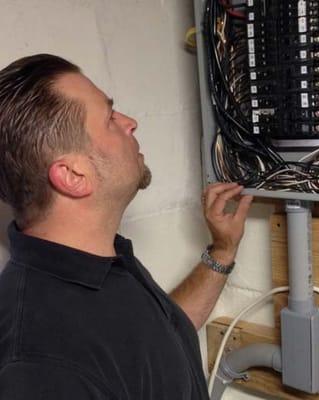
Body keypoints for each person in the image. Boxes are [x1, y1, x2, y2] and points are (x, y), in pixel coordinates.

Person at [0, 54, 253, 399]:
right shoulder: (39, 361)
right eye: (109, 118)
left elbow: (154, 343)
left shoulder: (99, 260)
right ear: (74, 176)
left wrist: (222, 251)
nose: (130, 122)